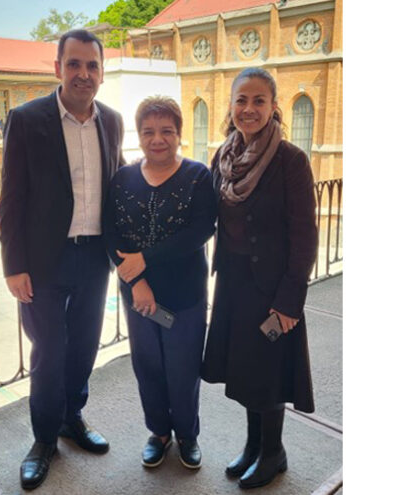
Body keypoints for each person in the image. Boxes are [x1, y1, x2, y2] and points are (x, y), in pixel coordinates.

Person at [0, 29, 125, 490]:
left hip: (94, 257)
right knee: (49, 353)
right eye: (74, 64)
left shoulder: (110, 121)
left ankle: (73, 417)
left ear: (102, 73)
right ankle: (44, 440)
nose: (83, 74)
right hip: (43, 261)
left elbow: (120, 182)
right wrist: (13, 264)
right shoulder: (27, 119)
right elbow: (11, 197)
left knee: (85, 346)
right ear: (57, 68)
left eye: (92, 66)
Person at [201, 68, 318, 489]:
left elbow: (305, 236)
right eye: (241, 100)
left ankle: (274, 452)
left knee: (269, 375)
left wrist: (290, 300)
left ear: (273, 107)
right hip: (233, 285)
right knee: (247, 372)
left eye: (258, 101)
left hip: (272, 290)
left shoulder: (291, 161)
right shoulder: (223, 156)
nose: (248, 109)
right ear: (231, 107)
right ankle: (253, 446)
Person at [103, 96, 216, 470]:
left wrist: (146, 260)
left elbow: (199, 230)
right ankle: (159, 432)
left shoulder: (198, 176)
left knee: (183, 369)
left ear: (179, 134)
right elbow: (112, 233)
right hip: (139, 296)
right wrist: (137, 282)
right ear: (139, 135)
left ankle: (187, 434)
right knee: (147, 366)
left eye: (167, 130)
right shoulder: (123, 179)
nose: (158, 139)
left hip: (184, 296)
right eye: (149, 131)